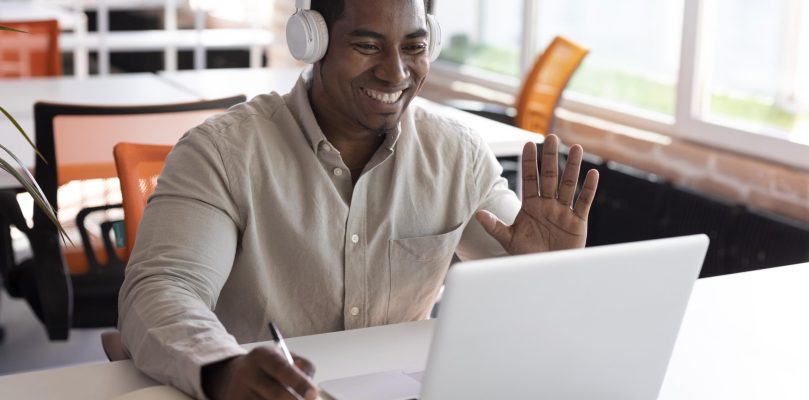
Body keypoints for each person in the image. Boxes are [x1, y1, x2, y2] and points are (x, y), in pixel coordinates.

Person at [117, 0, 599, 398]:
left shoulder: (457, 154)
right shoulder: (224, 153)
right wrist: (223, 368)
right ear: (313, 42)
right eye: (367, 45)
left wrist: (550, 274)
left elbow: (532, 296)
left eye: (414, 47)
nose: (395, 73)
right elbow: (162, 288)